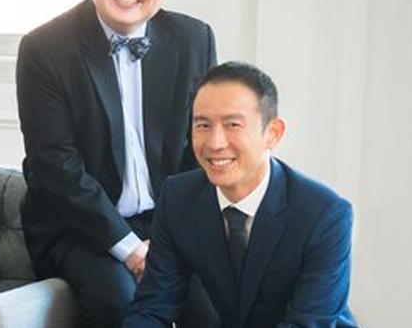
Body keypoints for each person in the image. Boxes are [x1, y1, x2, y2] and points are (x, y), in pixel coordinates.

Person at [16, 0, 218, 325]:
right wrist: (131, 249)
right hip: (78, 227)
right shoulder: (45, 48)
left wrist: (175, 237)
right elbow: (55, 167)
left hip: (165, 221)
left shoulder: (194, 40)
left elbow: (200, 149)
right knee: (120, 305)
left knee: (214, 303)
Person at [125, 61, 356, 327]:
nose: (215, 143)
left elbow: (308, 324)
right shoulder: (178, 197)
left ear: (273, 133)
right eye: (203, 125)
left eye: (233, 124)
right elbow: (154, 306)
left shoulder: (324, 214)